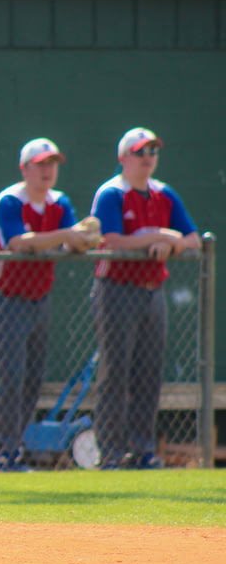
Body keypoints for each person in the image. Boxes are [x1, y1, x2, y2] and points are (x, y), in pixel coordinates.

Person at [0, 138, 99, 472]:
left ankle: (14, 450)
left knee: (31, 381)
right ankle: (0, 453)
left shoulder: (59, 202)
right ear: (24, 168)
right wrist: (68, 235)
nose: (48, 170)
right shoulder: (9, 200)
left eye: (52, 163)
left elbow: (74, 239)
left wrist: (84, 238)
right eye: (41, 164)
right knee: (10, 379)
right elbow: (18, 242)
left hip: (38, 300)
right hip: (5, 300)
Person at [89, 127, 200, 470]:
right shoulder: (112, 193)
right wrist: (157, 235)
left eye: (152, 152)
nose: (148, 158)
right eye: (140, 152)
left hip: (152, 292)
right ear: (123, 158)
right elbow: (111, 240)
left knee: (148, 374)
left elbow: (194, 238)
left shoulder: (164, 194)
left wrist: (172, 243)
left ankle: (142, 449)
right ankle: (109, 451)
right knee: (115, 373)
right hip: (116, 291)